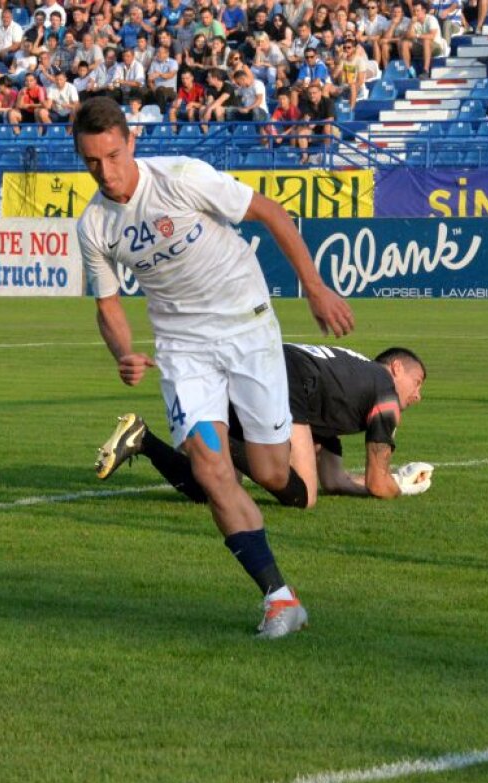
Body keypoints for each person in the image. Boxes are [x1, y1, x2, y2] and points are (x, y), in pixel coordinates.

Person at [73, 96, 355, 639]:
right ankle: (279, 599)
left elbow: (270, 212)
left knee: (272, 473)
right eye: (91, 162)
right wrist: (123, 353)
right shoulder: (94, 226)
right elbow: (108, 305)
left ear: (131, 142)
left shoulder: (181, 178)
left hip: (248, 327)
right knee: (208, 467)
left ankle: (293, 445)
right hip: (183, 348)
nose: (105, 173)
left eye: (112, 156)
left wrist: (315, 289)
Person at [96, 345, 430, 506]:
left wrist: (392, 479)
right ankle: (200, 429)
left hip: (264, 365)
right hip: (290, 379)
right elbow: (378, 484)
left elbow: (335, 480)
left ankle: (143, 439)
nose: (417, 395)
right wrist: (401, 487)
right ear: (396, 368)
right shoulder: (383, 391)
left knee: (218, 486)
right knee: (303, 497)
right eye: (417, 383)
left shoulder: (349, 384)